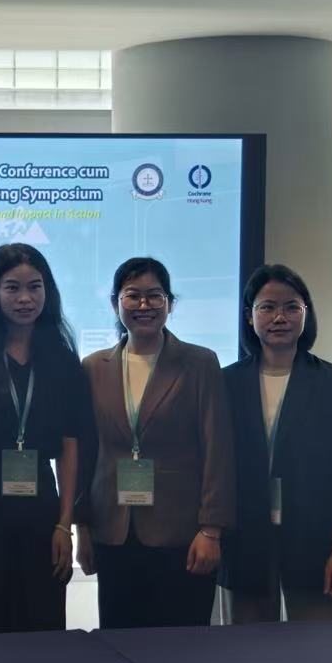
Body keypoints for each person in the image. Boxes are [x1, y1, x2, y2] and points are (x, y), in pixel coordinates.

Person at [75, 257, 233, 628]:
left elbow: (218, 450)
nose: (143, 305)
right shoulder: (93, 367)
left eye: (155, 295)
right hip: (113, 531)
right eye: (133, 295)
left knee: (182, 647)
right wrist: (82, 529)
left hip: (182, 533)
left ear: (170, 303)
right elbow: (85, 454)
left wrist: (211, 530)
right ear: (116, 303)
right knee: (120, 645)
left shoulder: (199, 363)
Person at [0, 243, 88, 634]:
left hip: (42, 519)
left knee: (41, 634)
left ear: (47, 291)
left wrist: (64, 525)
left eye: (34, 287)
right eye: (12, 287)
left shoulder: (62, 359)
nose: (25, 298)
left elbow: (69, 446)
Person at [219, 264, 332, 623]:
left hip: (315, 540)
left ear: (306, 313)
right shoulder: (227, 382)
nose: (279, 317)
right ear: (250, 316)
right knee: (248, 650)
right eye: (267, 307)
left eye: (291, 307)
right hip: (246, 541)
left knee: (319, 648)